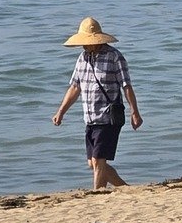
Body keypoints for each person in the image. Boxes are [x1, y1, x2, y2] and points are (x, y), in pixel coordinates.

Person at [52, 17, 142, 191]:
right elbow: (74, 87)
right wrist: (61, 112)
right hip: (90, 117)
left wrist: (134, 112)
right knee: (92, 164)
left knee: (99, 161)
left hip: (108, 117)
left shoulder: (115, 57)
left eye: (88, 42)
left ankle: (97, 195)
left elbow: (126, 86)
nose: (85, 45)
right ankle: (126, 189)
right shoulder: (82, 58)